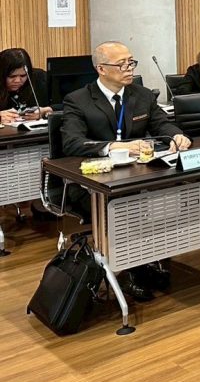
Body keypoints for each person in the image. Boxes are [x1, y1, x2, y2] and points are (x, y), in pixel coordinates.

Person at [61, 41, 192, 300]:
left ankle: (153, 259)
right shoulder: (78, 100)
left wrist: (177, 136)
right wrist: (113, 146)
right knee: (128, 209)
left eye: (131, 62)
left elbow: (162, 124)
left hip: (138, 176)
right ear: (101, 69)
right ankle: (134, 270)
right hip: (93, 181)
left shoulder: (141, 95)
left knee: (175, 195)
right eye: (121, 64)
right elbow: (72, 142)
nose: (129, 68)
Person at [0, 48, 51, 123]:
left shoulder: (40, 78)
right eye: (12, 76)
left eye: (23, 76)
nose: (18, 81)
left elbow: (67, 104)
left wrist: (47, 110)